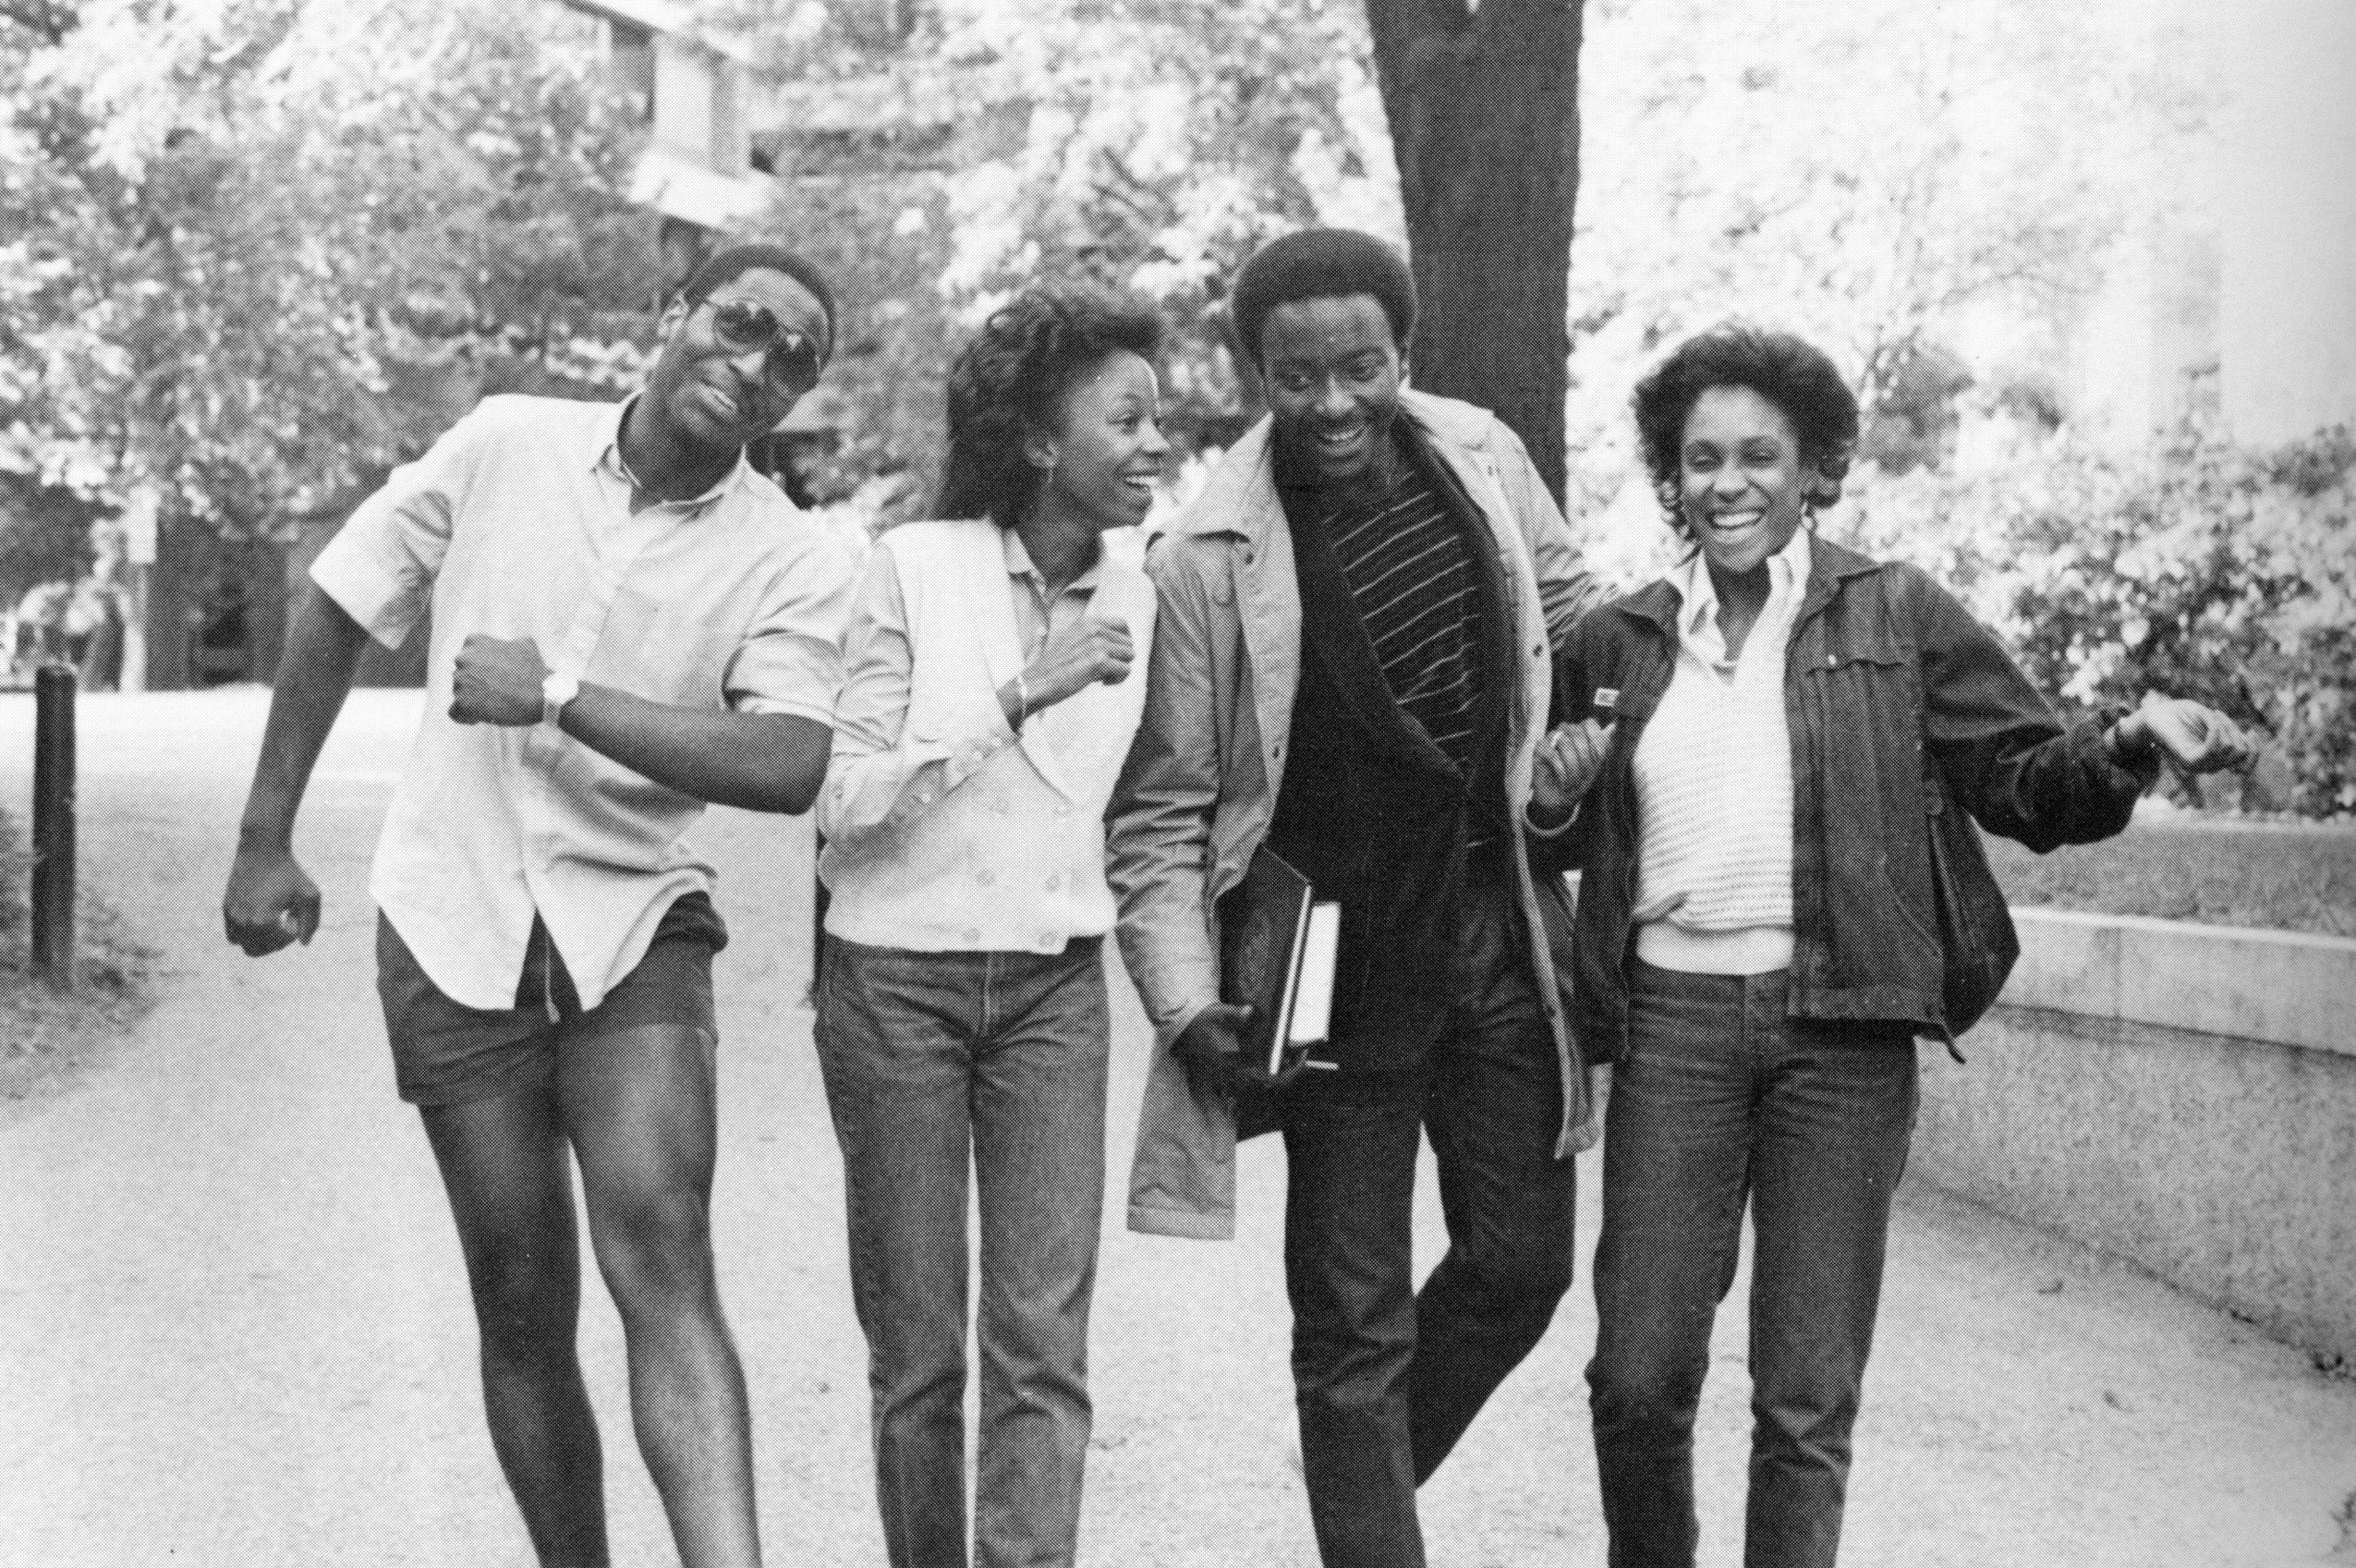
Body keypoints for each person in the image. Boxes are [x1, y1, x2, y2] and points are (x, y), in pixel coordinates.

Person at [1547, 326, 2253, 1568]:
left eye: (1758, 455)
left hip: (1844, 1035)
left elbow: (2028, 784)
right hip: (1673, 1031)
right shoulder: (1619, 641)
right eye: (1699, 458)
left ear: (1813, 464)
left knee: (1803, 1402)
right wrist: (1551, 793)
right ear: (1669, 474)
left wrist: (2129, 742)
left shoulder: (1897, 610)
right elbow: (1541, 815)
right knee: (1636, 1375)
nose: (1726, 483)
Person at [221, 243, 859, 1568]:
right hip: (451, 915)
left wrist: (561, 698)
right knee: (519, 1299)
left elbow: (789, 758)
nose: (758, 367)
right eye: (743, 325)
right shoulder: (507, 442)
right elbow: (341, 599)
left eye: (795, 359)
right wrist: (262, 839)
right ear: (670, 310)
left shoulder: (790, 556)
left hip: (633, 922)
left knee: (661, 1249)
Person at [1107, 227, 1606, 1568]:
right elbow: (1159, 807)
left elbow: (1578, 619)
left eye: (1360, 368)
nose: (1332, 403)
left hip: (1495, 931)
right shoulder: (1207, 551)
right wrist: (1182, 993)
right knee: (1349, 1320)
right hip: (1324, 971)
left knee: (1520, 1264)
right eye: (1296, 375)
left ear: (1403, 354)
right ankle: (1364, 1494)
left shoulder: (1482, 456)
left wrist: (1577, 756)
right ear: (1253, 372)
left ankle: (1355, 1452)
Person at [812, 284, 1169, 1568]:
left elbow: (1154, 809)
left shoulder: (1151, 587)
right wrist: (1020, 694)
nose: (1152, 443)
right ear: (1034, 439)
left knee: (1043, 1345)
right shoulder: (911, 566)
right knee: (917, 1353)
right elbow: (843, 803)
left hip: (1052, 994)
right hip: (892, 987)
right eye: (1124, 419)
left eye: (1157, 420)